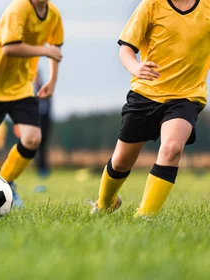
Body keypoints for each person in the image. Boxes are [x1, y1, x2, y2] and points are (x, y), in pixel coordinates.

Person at [89, 0, 209, 218]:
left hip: (185, 97)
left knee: (172, 148)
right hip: (144, 95)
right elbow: (126, 48)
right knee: (121, 161)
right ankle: (104, 203)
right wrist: (135, 67)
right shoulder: (151, 5)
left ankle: (144, 217)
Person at [0, 0, 63, 207]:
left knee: (32, 138)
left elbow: (56, 47)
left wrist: (52, 80)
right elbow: (9, 47)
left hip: (21, 85)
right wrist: (43, 51)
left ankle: (5, 184)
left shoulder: (53, 15)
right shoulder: (19, 8)